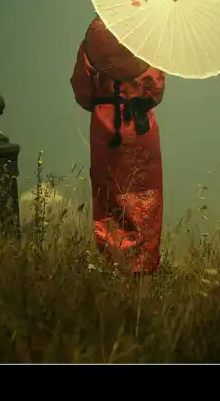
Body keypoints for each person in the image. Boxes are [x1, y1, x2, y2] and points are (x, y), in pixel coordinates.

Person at [70, 15, 165, 296]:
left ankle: (113, 280)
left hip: (105, 126)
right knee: (146, 201)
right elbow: (156, 91)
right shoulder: (148, 40)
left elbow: (82, 91)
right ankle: (142, 289)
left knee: (109, 200)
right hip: (140, 127)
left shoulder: (94, 38)